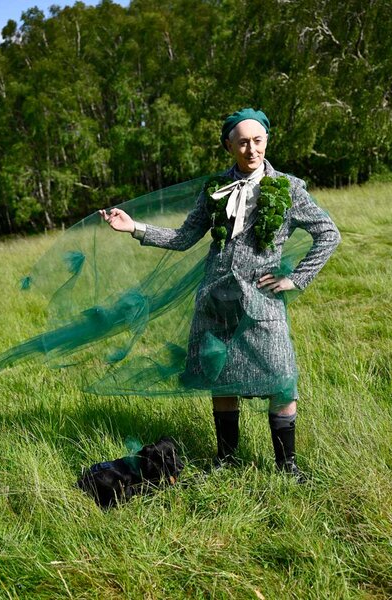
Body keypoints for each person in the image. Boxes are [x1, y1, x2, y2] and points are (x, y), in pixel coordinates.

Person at [100, 108, 341, 480]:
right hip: (214, 300)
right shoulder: (215, 189)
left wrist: (297, 278)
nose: (251, 149)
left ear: (266, 141)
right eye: (242, 142)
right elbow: (183, 238)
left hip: (261, 303)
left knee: (282, 380)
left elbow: (329, 233)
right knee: (221, 379)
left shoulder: (289, 188)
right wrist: (135, 227)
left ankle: (287, 467)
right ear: (229, 145)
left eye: (258, 140)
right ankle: (227, 459)